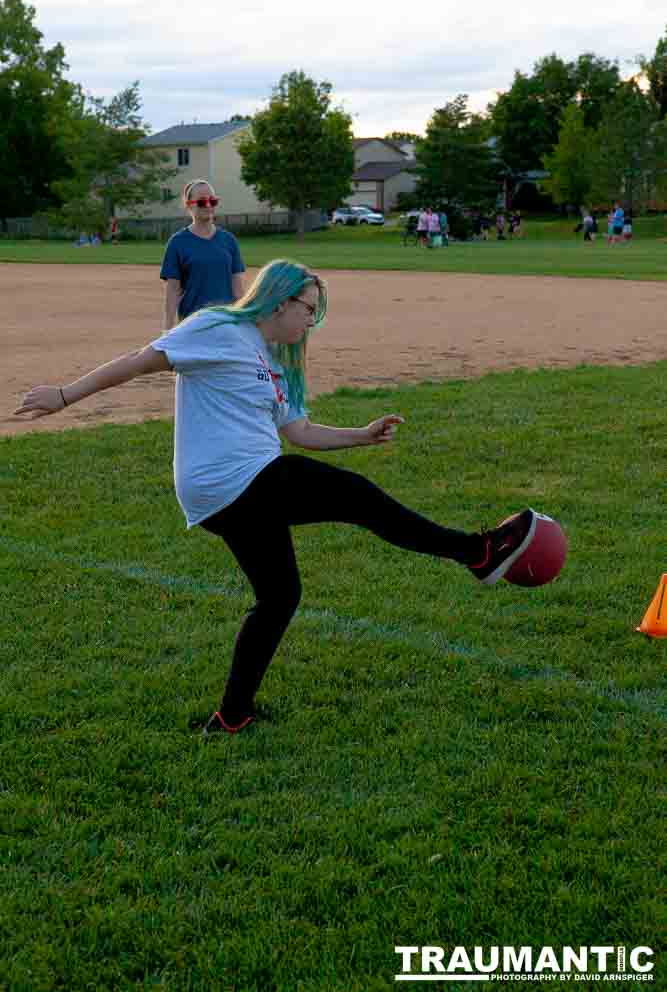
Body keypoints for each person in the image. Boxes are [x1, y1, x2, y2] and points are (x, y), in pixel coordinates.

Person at [15, 259, 538, 737]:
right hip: (232, 478)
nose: (310, 321)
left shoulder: (277, 362)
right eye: (308, 309)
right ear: (280, 299)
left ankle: (233, 715)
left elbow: (300, 431)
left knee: (280, 595)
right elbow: (138, 361)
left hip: (238, 489)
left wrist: (361, 434)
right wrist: (64, 396)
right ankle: (478, 551)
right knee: (358, 498)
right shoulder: (220, 328)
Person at [161, 179, 245, 331]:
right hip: (193, 324)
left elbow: (238, 290)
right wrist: (167, 328)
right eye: (201, 202)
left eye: (212, 201)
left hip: (226, 323)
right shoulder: (178, 242)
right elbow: (173, 290)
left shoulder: (228, 240)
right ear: (189, 205)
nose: (208, 205)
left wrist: (245, 323)